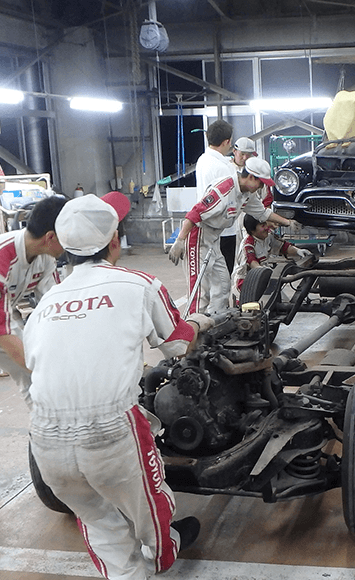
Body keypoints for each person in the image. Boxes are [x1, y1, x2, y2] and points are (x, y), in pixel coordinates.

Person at [23, 192, 212, 580]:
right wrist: (199, 322)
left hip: (45, 440)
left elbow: (39, 364)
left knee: (97, 521)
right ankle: (164, 552)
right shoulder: (139, 284)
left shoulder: (45, 304)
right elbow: (178, 345)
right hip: (110, 432)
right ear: (114, 240)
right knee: (152, 508)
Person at [168, 157, 294, 316]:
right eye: (261, 183)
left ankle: (217, 321)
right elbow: (194, 214)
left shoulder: (247, 193)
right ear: (251, 177)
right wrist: (180, 241)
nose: (261, 187)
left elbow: (262, 213)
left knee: (223, 285)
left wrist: (288, 222)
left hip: (214, 239)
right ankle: (193, 325)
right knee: (199, 291)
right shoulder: (223, 190)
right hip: (197, 237)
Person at [0, 195, 67, 393]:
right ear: (51, 237)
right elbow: (3, 331)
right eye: (68, 237)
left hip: (6, 316)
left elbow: (56, 303)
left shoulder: (45, 257)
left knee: (35, 382)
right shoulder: (3, 258)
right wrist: (45, 370)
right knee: (36, 374)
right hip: (2, 325)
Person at [231, 214, 312, 305]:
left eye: (265, 224)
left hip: (264, 280)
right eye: (262, 226)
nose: (267, 228)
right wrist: (265, 271)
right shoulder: (247, 245)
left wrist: (298, 251)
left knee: (282, 303)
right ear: (252, 231)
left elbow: (283, 246)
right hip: (247, 285)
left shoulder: (268, 237)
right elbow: (252, 262)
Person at [194, 120, 239, 274]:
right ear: (227, 142)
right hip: (223, 231)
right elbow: (230, 199)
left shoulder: (202, 160)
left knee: (210, 276)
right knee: (224, 276)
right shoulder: (223, 167)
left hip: (205, 227)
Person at [229, 137, 274, 256]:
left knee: (251, 250)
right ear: (234, 151)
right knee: (233, 251)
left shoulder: (258, 171)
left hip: (253, 217)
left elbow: (267, 198)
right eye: (242, 154)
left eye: (248, 155)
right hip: (231, 216)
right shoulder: (227, 169)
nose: (245, 158)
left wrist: (265, 220)